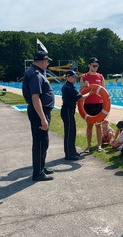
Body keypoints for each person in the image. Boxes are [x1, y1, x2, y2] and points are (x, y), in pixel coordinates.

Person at [22, 51, 55, 181]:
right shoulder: (36, 74)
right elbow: (35, 98)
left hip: (39, 111)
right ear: (42, 62)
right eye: (47, 62)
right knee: (41, 142)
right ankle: (38, 173)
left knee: (43, 142)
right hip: (39, 112)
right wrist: (43, 118)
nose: (47, 64)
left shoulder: (35, 71)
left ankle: (41, 166)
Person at [61, 70, 92, 160]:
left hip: (68, 111)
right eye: (73, 77)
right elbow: (81, 97)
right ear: (68, 77)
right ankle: (68, 154)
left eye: (75, 77)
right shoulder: (69, 87)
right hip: (67, 111)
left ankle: (72, 151)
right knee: (69, 133)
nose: (75, 78)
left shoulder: (69, 86)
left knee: (72, 132)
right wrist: (90, 93)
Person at [79, 57, 106, 153]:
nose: (96, 67)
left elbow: (104, 91)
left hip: (99, 103)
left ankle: (99, 145)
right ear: (89, 65)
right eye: (94, 65)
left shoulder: (100, 77)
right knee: (89, 125)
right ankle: (89, 146)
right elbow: (80, 92)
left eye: (97, 66)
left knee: (98, 125)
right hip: (88, 104)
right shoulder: (84, 77)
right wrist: (84, 85)